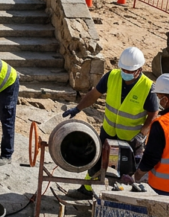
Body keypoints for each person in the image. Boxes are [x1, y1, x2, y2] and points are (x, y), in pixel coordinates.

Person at [62, 47, 159, 198]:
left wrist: (142, 135)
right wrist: (77, 108)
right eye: (123, 69)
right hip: (108, 133)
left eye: (129, 70)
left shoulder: (148, 87)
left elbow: (153, 115)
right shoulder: (112, 76)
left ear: (139, 69)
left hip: (131, 140)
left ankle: (122, 201)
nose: (125, 73)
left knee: (127, 173)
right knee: (96, 164)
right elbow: (94, 94)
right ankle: (86, 191)